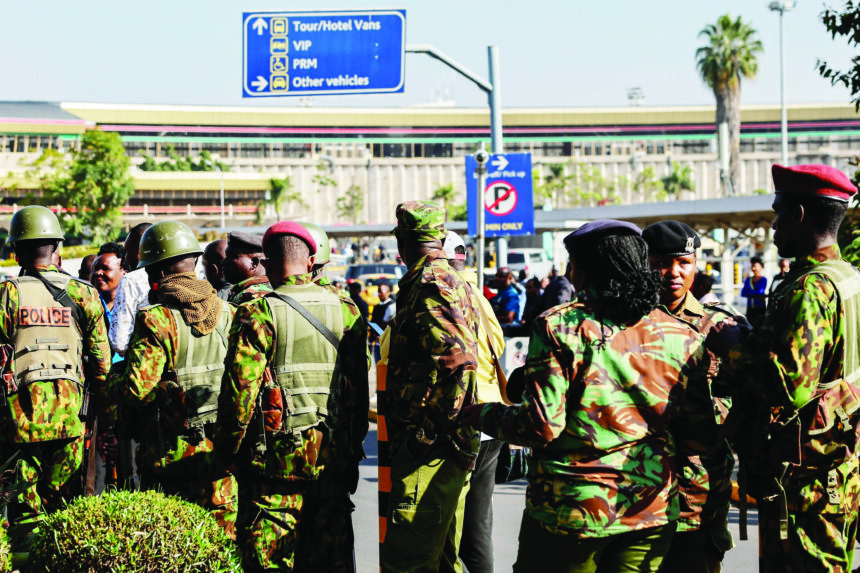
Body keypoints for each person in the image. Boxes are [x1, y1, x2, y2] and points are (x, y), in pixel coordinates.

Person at [459, 219, 708, 573]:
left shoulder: (559, 326)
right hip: (649, 513)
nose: (570, 275)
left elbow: (542, 425)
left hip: (571, 513)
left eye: (572, 266)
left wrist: (484, 415)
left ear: (584, 271)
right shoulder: (680, 334)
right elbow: (699, 435)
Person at [715, 164, 860, 572]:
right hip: (839, 467)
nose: (773, 226)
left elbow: (790, 387)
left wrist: (732, 349)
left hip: (807, 478)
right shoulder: (848, 278)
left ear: (798, 215)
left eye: (777, 214)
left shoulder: (811, 288)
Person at [213, 221, 368, 572]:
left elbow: (240, 393)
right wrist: (352, 449)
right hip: (333, 458)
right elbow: (360, 392)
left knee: (269, 560)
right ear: (311, 261)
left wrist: (228, 452)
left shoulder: (258, 311)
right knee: (330, 559)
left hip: (275, 466)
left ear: (266, 262)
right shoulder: (346, 309)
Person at [106, 220, 237, 538]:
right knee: (222, 546)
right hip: (222, 456)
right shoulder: (230, 313)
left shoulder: (156, 319)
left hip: (172, 458)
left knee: (175, 547)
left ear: (158, 273)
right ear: (193, 261)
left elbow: (136, 390)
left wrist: (110, 380)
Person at [0, 206, 111, 548]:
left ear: (15, 249)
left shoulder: (8, 294)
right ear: (58, 247)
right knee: (65, 505)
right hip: (72, 417)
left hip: (20, 419)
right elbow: (101, 365)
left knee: (23, 510)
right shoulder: (85, 294)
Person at [380, 201, 481, 573]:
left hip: (433, 447)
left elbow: (460, 365)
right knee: (440, 560)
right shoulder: (449, 278)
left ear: (402, 243)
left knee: (408, 561)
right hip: (443, 442)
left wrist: (426, 435)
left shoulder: (430, 284)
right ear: (439, 238)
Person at [642, 220, 747, 573]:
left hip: (699, 489)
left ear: (697, 264)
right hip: (637, 485)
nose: (674, 272)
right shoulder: (628, 324)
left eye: (684, 262)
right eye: (662, 263)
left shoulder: (721, 324)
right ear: (646, 263)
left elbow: (754, 393)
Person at [443, 231, 506, 573]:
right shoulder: (478, 296)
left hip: (461, 416)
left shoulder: (440, 293)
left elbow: (392, 351)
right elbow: (498, 343)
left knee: (447, 522)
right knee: (478, 522)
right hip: (490, 418)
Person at [109, 222, 152, 357]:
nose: (125, 258)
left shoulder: (131, 280)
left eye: (127, 251)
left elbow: (119, 342)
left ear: (140, 251)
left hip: (145, 368)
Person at [90, 242, 126, 364]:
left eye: (105, 269)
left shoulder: (133, 306)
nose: (97, 273)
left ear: (124, 272)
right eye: (95, 269)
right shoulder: (87, 305)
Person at [222, 232, 271, 306]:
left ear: (254, 263)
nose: (224, 262)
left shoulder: (252, 296)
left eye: (231, 257)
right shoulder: (243, 291)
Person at [740, 256, 767, 329]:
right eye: (752, 266)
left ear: (761, 267)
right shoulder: (748, 279)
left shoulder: (763, 279)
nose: (753, 268)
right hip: (750, 308)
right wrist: (756, 294)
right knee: (750, 326)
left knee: (760, 326)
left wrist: (749, 293)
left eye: (755, 266)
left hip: (760, 308)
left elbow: (760, 291)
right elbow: (743, 293)